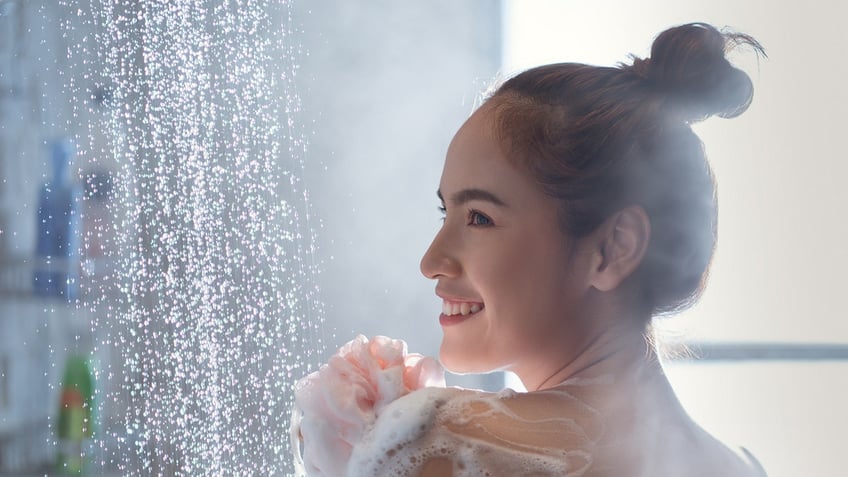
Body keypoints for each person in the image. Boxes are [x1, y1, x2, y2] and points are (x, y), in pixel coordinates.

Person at [293, 22, 767, 477]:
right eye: (446, 215)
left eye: (479, 217)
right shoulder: (741, 468)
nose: (431, 261)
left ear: (612, 248)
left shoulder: (450, 445)